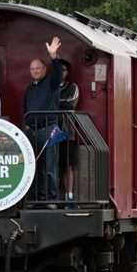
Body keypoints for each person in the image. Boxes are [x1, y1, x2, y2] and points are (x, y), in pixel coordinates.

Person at [23, 37, 64, 205]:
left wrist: (54, 56)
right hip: (32, 131)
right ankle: (36, 198)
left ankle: (51, 198)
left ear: (44, 69)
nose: (35, 71)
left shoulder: (52, 83)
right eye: (32, 69)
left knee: (49, 167)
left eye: (38, 68)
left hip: (49, 129)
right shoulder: (29, 89)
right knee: (34, 166)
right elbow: (25, 109)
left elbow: (58, 72)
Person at [58, 60, 80, 204]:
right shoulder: (48, 86)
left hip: (67, 131)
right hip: (50, 129)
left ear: (68, 72)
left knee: (68, 165)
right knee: (51, 165)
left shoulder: (73, 87)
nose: (61, 72)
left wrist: (53, 103)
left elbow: (70, 103)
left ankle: (69, 196)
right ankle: (52, 196)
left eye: (64, 70)